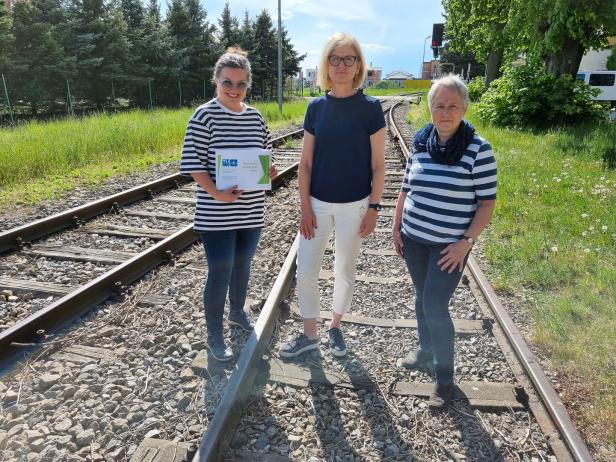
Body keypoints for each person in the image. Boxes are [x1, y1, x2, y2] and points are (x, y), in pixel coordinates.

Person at [392, 74, 497, 409]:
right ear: (430, 108)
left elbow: (486, 204)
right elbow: (406, 188)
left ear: (464, 107)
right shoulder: (421, 143)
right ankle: (424, 350)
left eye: (453, 105)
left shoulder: (478, 150)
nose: (446, 111)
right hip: (414, 239)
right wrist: (396, 228)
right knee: (421, 296)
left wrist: (466, 242)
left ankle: (445, 380)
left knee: (435, 305)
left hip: (448, 247)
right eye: (439, 105)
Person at [279, 32, 386, 359]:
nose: (341, 65)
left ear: (358, 66)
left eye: (348, 59)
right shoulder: (316, 107)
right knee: (306, 269)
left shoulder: (370, 109)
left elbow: (379, 166)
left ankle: (335, 327)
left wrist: (374, 207)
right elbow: (306, 163)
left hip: (355, 206)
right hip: (317, 205)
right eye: (335, 59)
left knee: (344, 270)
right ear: (327, 64)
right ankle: (310, 333)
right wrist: (305, 208)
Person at [179, 47, 277, 362]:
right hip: (216, 212)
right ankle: (214, 335)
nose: (234, 90)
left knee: (242, 266)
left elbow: (265, 154)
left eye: (240, 84)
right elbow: (193, 164)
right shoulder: (203, 115)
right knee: (219, 272)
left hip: (251, 212)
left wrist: (269, 170)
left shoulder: (255, 116)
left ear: (248, 85)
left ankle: (236, 313)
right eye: (227, 83)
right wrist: (216, 192)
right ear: (216, 82)